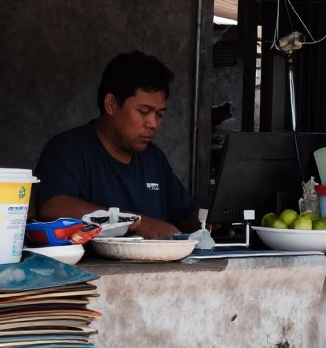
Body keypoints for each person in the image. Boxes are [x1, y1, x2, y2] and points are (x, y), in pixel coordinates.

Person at [33, 52, 201, 239]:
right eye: (144, 112)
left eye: (159, 114)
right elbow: (52, 207)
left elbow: (185, 216)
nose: (153, 124)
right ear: (111, 104)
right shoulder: (67, 149)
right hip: (90, 268)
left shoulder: (154, 158)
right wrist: (136, 222)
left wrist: (212, 220)